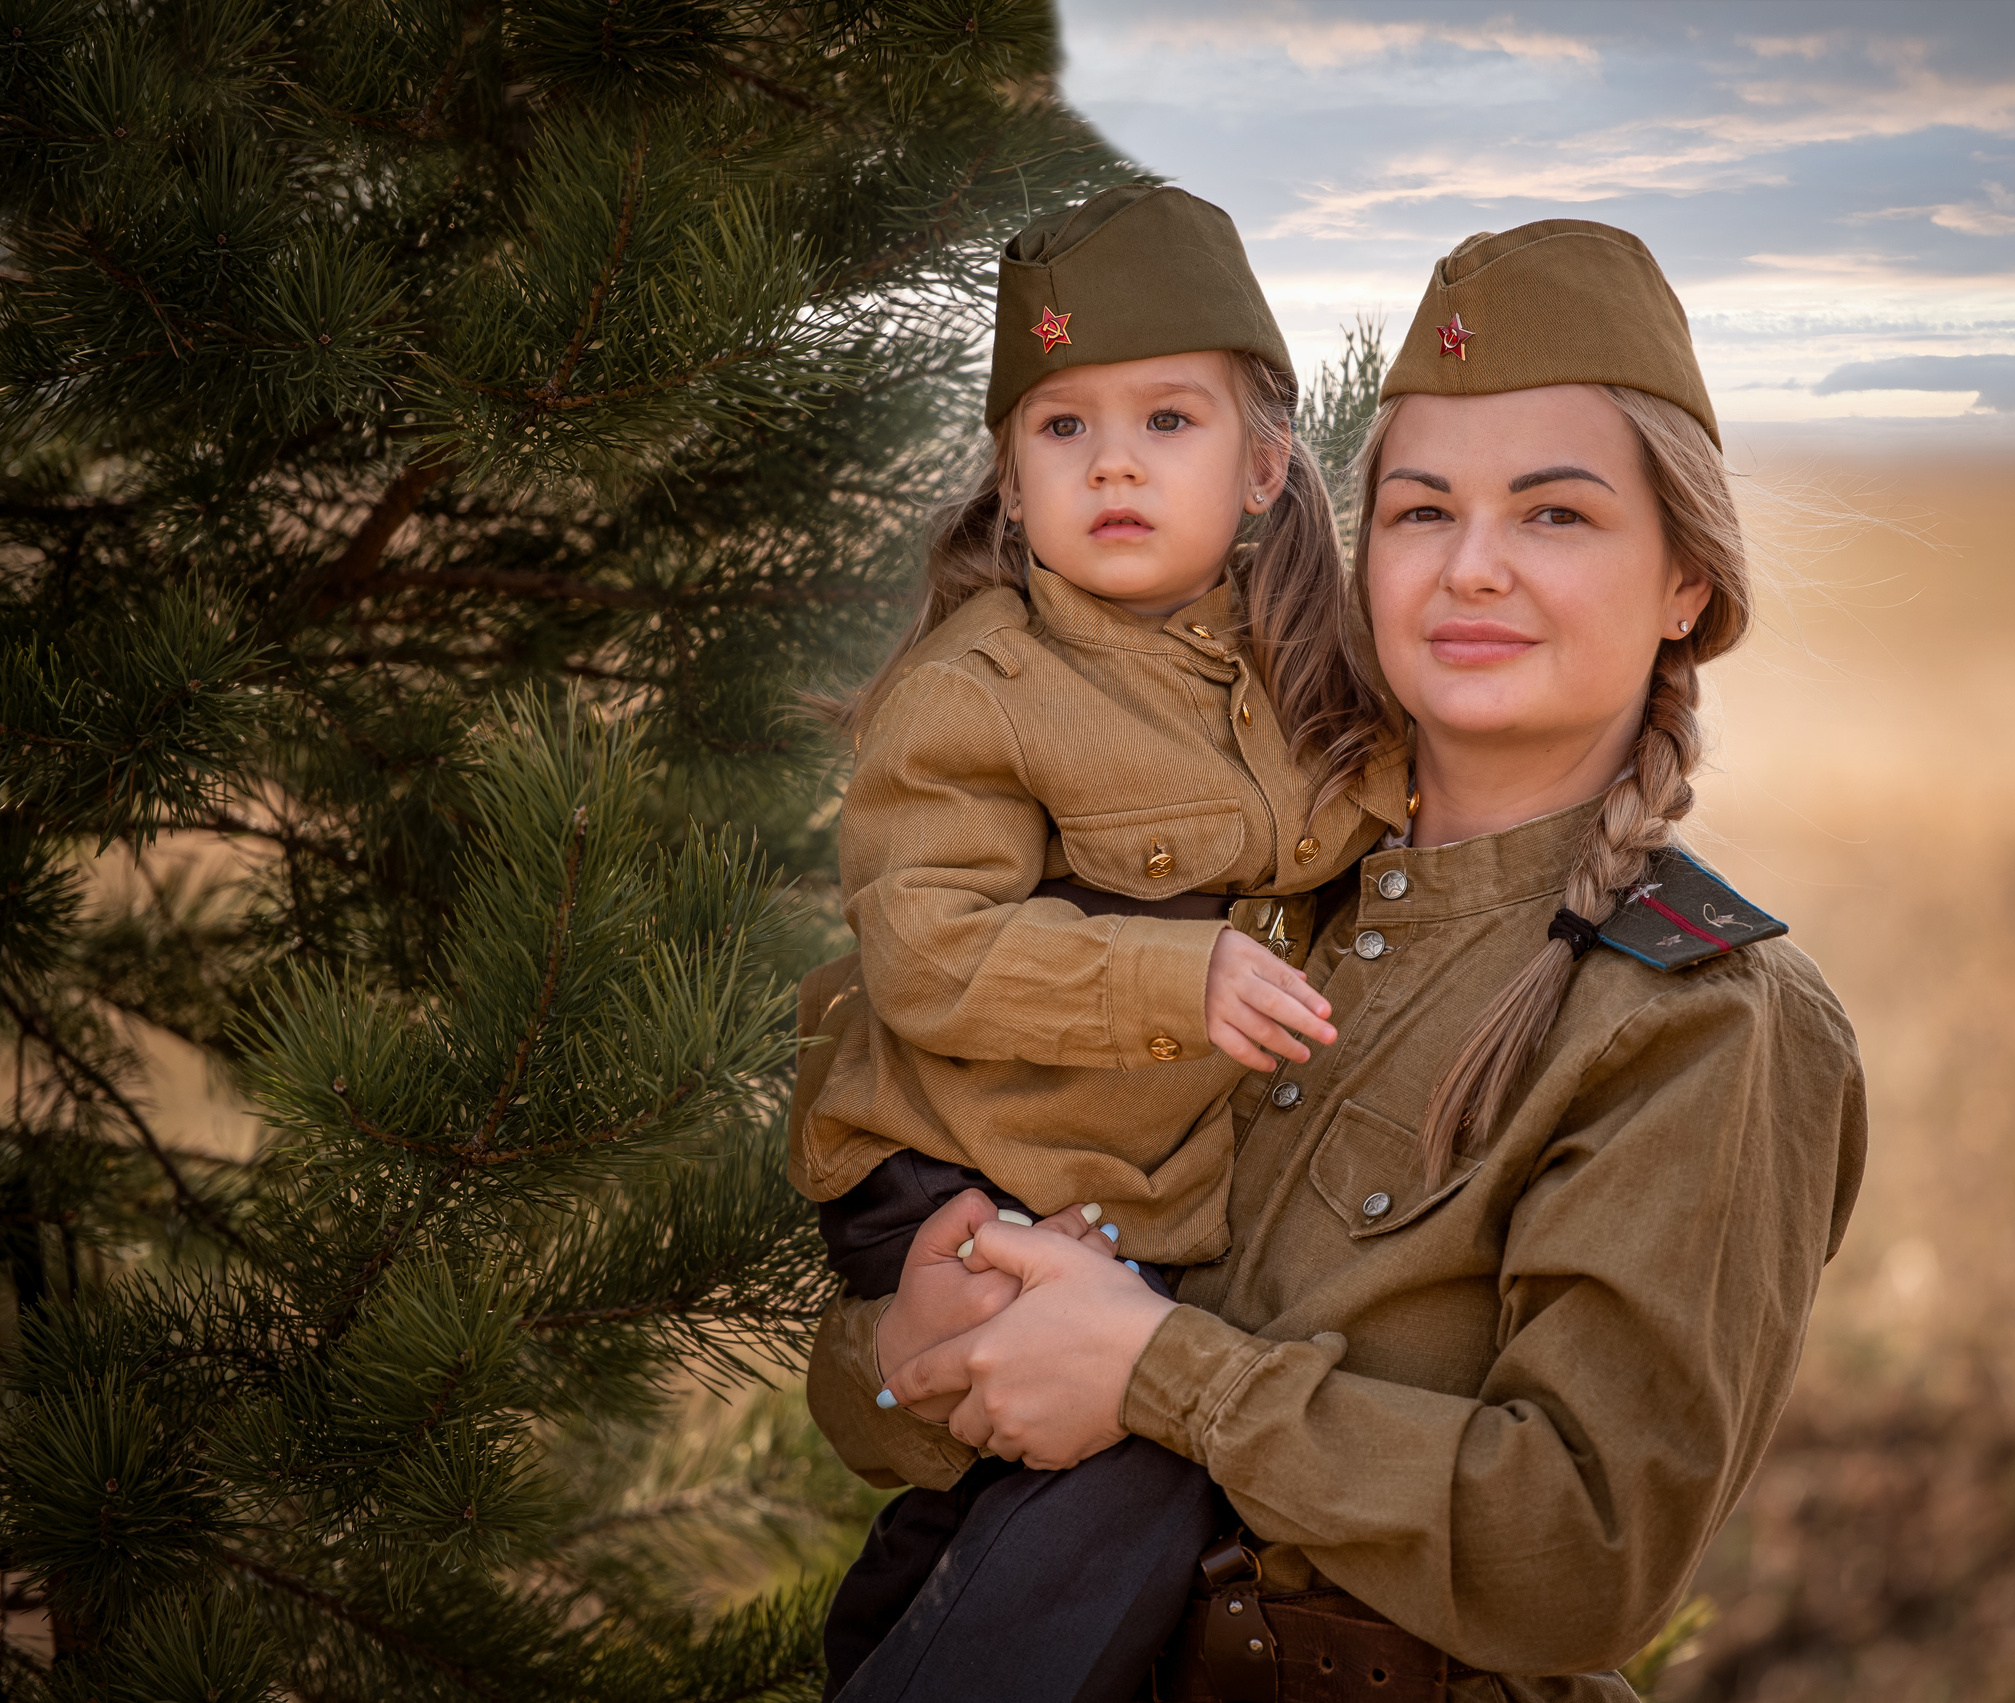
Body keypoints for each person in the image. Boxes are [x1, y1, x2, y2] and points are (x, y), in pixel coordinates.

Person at [809, 218, 1870, 1703]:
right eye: (1422, 512)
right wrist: (902, 1348)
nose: (1472, 569)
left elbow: (1579, 1556)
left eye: (1554, 516)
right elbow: (883, 1389)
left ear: (1686, 580)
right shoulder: (1242, 888)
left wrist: (1153, 1373)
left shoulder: (1699, 1019)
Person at [787, 185, 1405, 1701]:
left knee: (1059, 1490)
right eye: (1062, 428)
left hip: (1127, 1184)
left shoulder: (1306, 671)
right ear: (1009, 482)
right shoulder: (981, 686)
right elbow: (925, 950)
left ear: (1267, 466)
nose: (1113, 460)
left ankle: (907, 1632)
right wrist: (1168, 975)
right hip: (958, 1161)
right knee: (1122, 1466)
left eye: (1168, 421)